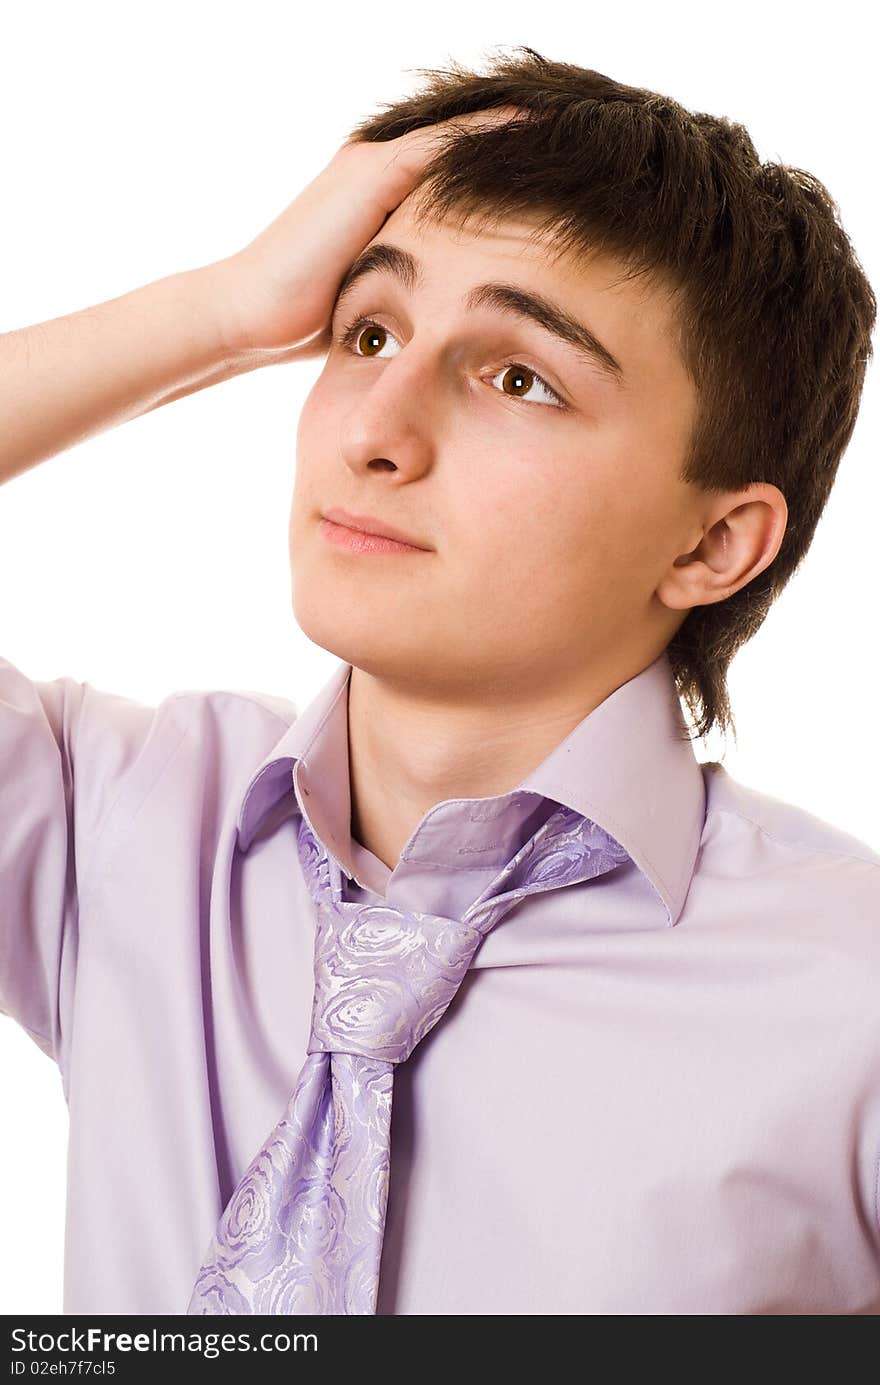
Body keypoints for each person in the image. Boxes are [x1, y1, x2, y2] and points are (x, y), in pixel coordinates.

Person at [1, 45, 878, 1316]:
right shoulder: (120, 817)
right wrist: (227, 309)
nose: (373, 428)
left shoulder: (847, 989)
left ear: (710, 542)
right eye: (367, 333)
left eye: (516, 375)